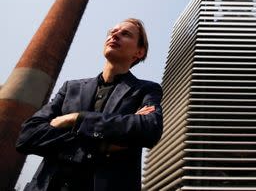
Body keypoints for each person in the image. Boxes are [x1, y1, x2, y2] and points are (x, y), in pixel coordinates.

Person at [16, 18, 163, 191]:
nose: (115, 35)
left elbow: (149, 128)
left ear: (139, 52)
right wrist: (103, 144)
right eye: (112, 32)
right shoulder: (71, 87)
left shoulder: (146, 89)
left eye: (125, 34)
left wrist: (76, 118)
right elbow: (28, 135)